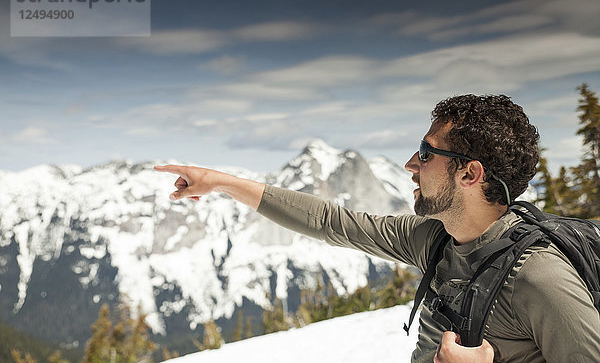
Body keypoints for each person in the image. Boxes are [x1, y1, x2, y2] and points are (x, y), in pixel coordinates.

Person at [154, 94, 600, 363]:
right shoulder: (437, 238)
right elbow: (332, 223)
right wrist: (223, 183)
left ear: (470, 175)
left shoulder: (539, 278)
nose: (409, 164)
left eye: (426, 154)